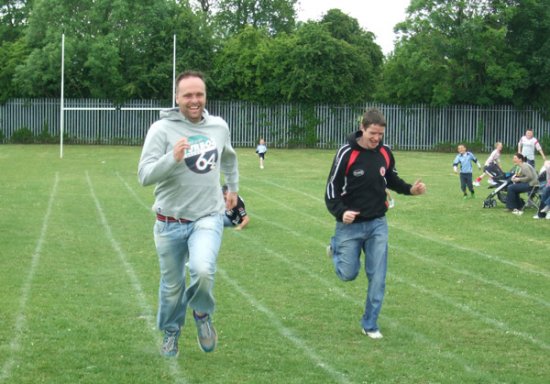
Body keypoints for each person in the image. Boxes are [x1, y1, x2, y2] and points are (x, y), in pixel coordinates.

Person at [138, 70, 239, 357]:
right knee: (172, 287)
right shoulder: (161, 130)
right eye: (188, 95)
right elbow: (144, 175)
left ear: (205, 96)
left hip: (208, 216)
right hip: (169, 222)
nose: (195, 101)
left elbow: (229, 158)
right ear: (177, 98)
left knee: (203, 269)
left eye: (199, 94)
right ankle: (171, 332)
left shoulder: (219, 126)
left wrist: (232, 186)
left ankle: (202, 315)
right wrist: (173, 158)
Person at [325, 108, 426, 340]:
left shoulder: (385, 152)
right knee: (348, 274)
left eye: (380, 134)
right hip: (349, 225)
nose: (376, 138)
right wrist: (342, 213)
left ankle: (370, 323)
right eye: (372, 133)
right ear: (363, 127)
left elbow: (391, 178)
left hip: (378, 224)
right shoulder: (346, 153)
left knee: (378, 276)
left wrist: (411, 189)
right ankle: (336, 246)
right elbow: (331, 190)